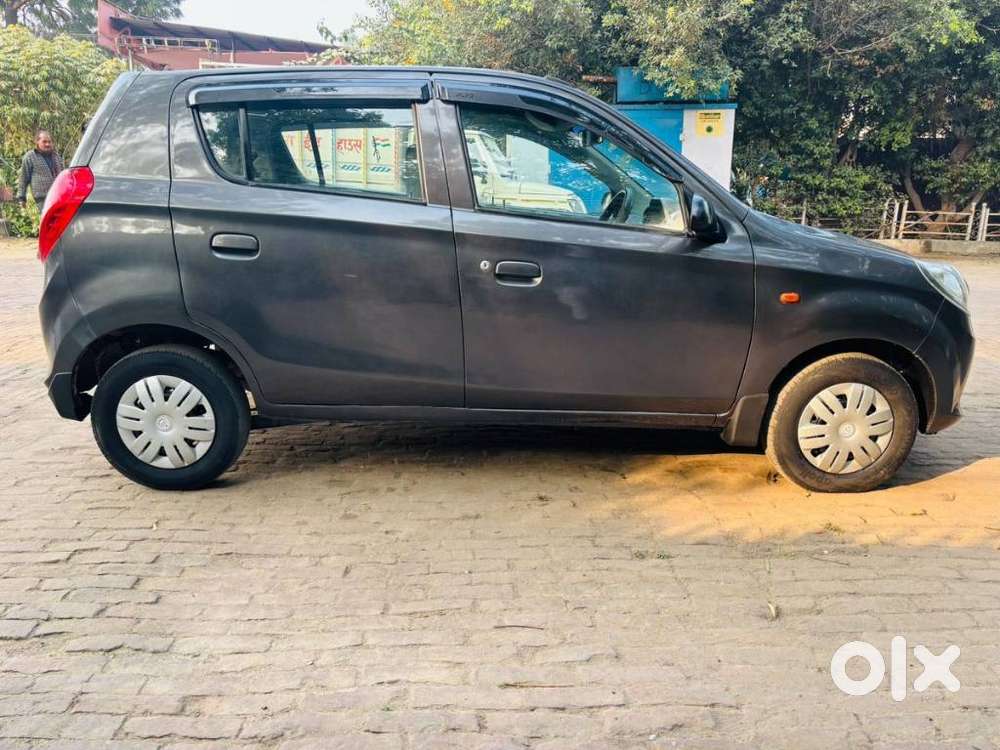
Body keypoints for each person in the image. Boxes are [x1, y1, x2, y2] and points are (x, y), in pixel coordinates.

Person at [17, 130, 64, 207]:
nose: (47, 144)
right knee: (48, 218)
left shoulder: (56, 157)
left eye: (49, 142)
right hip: (42, 198)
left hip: (59, 196)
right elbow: (24, 178)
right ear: (37, 142)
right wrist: (21, 198)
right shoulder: (30, 157)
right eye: (44, 142)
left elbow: (63, 176)